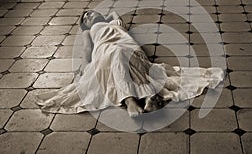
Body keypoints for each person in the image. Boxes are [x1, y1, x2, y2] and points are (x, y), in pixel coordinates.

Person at [35, 10, 224, 117]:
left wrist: (107, 18)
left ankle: (144, 99)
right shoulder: (89, 31)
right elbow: (86, 49)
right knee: (115, 54)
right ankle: (133, 99)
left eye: (91, 13)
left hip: (128, 46)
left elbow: (115, 14)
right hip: (105, 49)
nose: (89, 16)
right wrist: (85, 65)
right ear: (84, 24)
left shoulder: (115, 22)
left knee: (130, 58)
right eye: (85, 17)